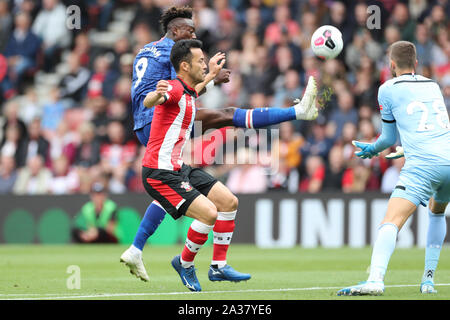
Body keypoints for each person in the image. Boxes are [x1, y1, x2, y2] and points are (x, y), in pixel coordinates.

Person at [120, 5, 318, 283]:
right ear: (175, 31)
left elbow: (182, 86)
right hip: (159, 118)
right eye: (189, 30)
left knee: (176, 179)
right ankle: (296, 113)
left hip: (147, 121)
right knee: (226, 116)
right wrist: (209, 79)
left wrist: (209, 78)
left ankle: (137, 248)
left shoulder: (147, 49)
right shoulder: (173, 54)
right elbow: (178, 89)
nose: (194, 34)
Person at [337, 41, 450, 296]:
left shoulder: (387, 89)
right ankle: (428, 280)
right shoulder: (433, 85)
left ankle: (375, 280)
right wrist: (408, 148)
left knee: (391, 220)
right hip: (448, 160)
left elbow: (387, 138)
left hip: (423, 164)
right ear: (417, 63)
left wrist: (372, 150)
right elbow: (433, 127)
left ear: (391, 65)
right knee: (437, 211)